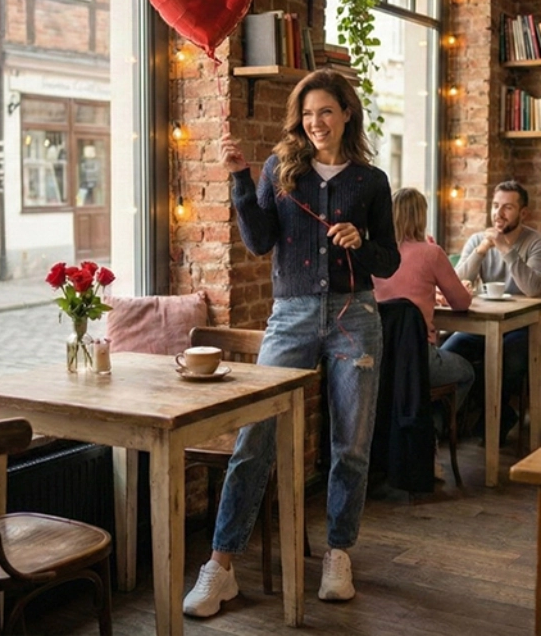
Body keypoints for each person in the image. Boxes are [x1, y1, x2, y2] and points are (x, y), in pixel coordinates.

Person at [183, 69, 400, 618]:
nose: (316, 122)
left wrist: (362, 242)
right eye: (307, 114)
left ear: (346, 113)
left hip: (356, 317)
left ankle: (338, 554)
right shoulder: (281, 170)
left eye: (325, 111)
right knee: (253, 439)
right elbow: (259, 241)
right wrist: (239, 177)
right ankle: (221, 566)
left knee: (350, 445)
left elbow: (389, 261)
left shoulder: (371, 181)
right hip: (292, 316)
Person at [372, 187, 476, 477]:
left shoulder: (375, 254)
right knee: (467, 372)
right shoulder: (431, 253)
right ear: (421, 217)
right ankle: (430, 437)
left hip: (378, 359)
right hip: (417, 360)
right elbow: (461, 302)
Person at [441, 180, 541, 444]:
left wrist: (505, 248)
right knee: (449, 352)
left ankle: (496, 415)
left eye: (508, 207)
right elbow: (454, 282)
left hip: (523, 325)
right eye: (496, 206)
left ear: (523, 213)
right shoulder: (478, 239)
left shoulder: (535, 242)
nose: (499, 213)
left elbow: (533, 289)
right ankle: (445, 425)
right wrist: (482, 250)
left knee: (510, 358)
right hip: (485, 324)